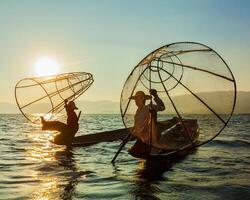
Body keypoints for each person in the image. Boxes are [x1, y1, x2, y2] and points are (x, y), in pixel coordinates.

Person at [129, 89, 165, 155]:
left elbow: (162, 107)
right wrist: (131, 134)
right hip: (142, 137)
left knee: (142, 152)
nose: (136, 100)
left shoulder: (149, 107)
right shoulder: (137, 112)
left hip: (150, 136)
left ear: (143, 99)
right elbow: (137, 125)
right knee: (132, 152)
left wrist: (155, 96)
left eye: (139, 98)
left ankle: (155, 147)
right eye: (136, 99)